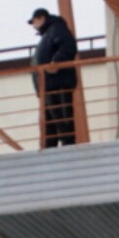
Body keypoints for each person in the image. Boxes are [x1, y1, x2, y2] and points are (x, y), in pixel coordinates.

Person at [29, 8, 79, 148]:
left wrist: (56, 62)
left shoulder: (56, 29)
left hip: (57, 84)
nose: (33, 25)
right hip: (47, 86)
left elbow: (68, 45)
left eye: (34, 21)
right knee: (50, 123)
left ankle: (67, 146)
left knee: (61, 119)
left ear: (41, 18)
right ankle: (51, 147)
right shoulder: (47, 36)